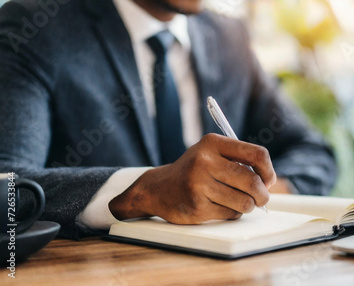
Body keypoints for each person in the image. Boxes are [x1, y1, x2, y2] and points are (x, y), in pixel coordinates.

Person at [0, 0, 336, 239]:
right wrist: (142, 193)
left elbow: (312, 151)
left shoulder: (229, 38)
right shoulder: (38, 26)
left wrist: (252, 191)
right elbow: (8, 184)